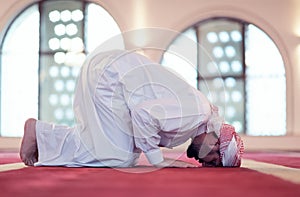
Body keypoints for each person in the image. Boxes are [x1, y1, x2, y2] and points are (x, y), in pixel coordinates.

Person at [20, 49, 244, 168]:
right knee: (119, 156)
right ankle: (39, 133)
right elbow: (143, 113)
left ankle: (43, 137)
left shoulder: (196, 118)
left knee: (116, 151)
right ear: (215, 142)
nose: (203, 161)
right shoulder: (197, 113)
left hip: (110, 76)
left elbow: (145, 120)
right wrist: (158, 161)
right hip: (109, 76)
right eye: (213, 159)